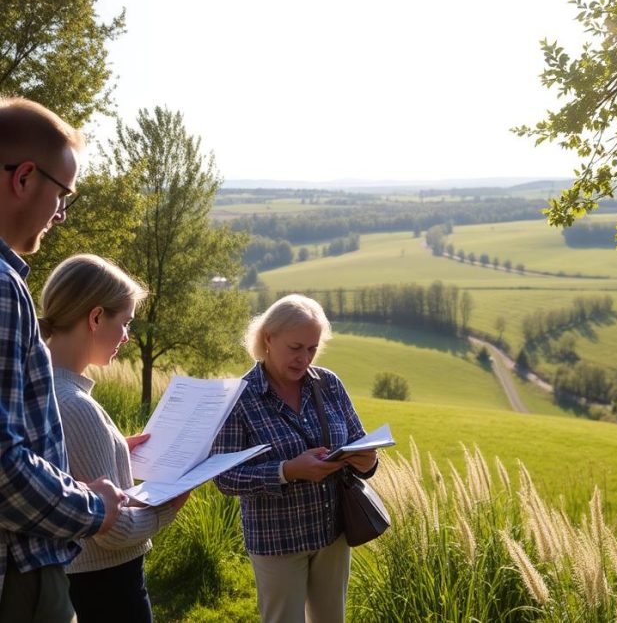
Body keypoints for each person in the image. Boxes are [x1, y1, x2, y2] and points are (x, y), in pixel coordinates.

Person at [0, 96, 126, 622]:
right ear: (24, 178)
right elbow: (3, 466)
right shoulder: (4, 290)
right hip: (19, 574)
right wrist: (91, 507)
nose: (60, 214)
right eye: (63, 195)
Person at [39, 254, 188, 622]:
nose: (126, 337)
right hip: (106, 588)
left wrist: (115, 445)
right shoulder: (75, 405)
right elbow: (114, 530)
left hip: (79, 583)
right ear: (95, 318)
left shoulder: (42, 391)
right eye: (124, 323)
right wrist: (169, 507)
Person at [212, 294, 378, 623]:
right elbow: (225, 478)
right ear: (268, 338)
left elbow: (361, 443)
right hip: (277, 539)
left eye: (312, 349)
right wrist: (287, 471)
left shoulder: (329, 384)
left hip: (333, 532)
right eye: (295, 347)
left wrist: (367, 462)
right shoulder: (238, 398)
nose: (304, 358)